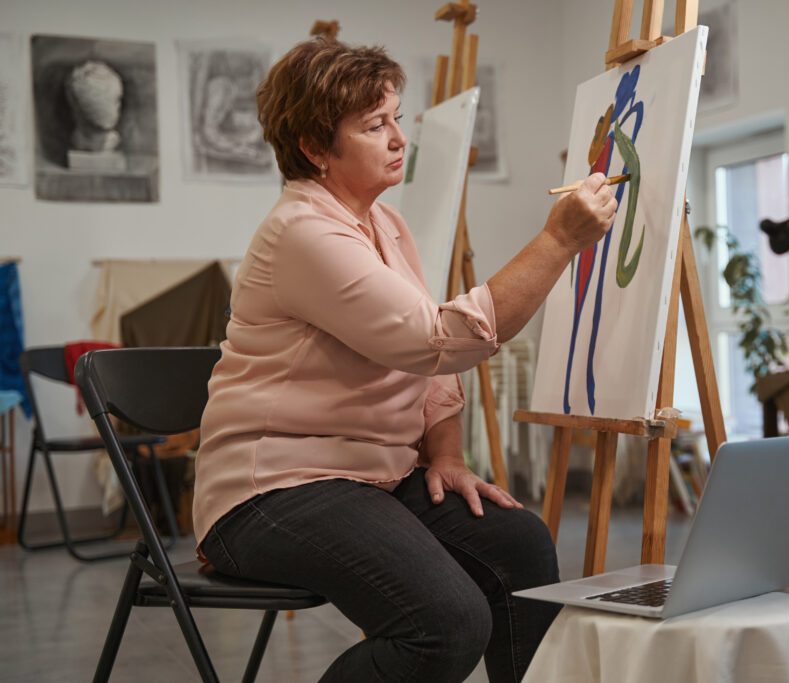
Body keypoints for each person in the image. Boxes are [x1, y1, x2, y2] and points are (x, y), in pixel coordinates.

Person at [192, 37, 616, 683]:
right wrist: (559, 238)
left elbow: (431, 372)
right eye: (373, 125)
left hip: (367, 477)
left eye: (396, 118)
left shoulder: (387, 225)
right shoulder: (303, 231)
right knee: (446, 623)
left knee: (520, 544)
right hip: (270, 490)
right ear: (314, 147)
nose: (397, 138)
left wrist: (445, 453)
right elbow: (437, 340)